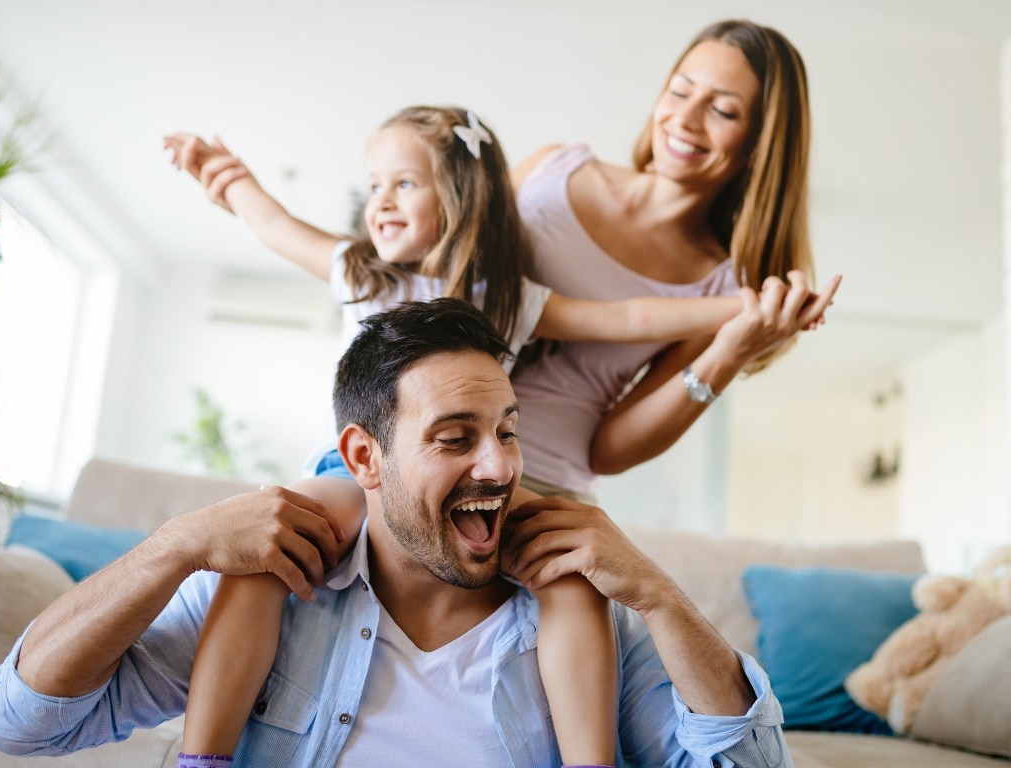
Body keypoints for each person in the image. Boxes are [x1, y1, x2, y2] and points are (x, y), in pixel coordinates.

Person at [162, 105, 806, 767]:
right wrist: (229, 178)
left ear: (461, 197)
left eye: (404, 184)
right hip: (357, 473)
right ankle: (202, 758)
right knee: (265, 551)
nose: (380, 200)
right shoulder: (362, 272)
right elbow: (275, 225)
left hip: (478, 479)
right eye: (374, 184)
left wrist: (749, 308)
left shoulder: (510, 299)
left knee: (570, 577)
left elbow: (632, 315)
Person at [0, 297, 793, 767]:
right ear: (363, 456)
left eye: (507, 431)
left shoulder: (584, 605)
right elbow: (20, 722)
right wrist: (173, 546)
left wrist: (658, 595)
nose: (499, 466)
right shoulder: (275, 586)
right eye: (455, 437)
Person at [508, 18, 838, 501]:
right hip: (423, 445)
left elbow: (609, 452)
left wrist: (730, 353)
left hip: (539, 485)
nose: (685, 119)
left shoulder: (720, 287)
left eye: (723, 111)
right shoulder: (549, 169)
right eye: (680, 92)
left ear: (758, 145)